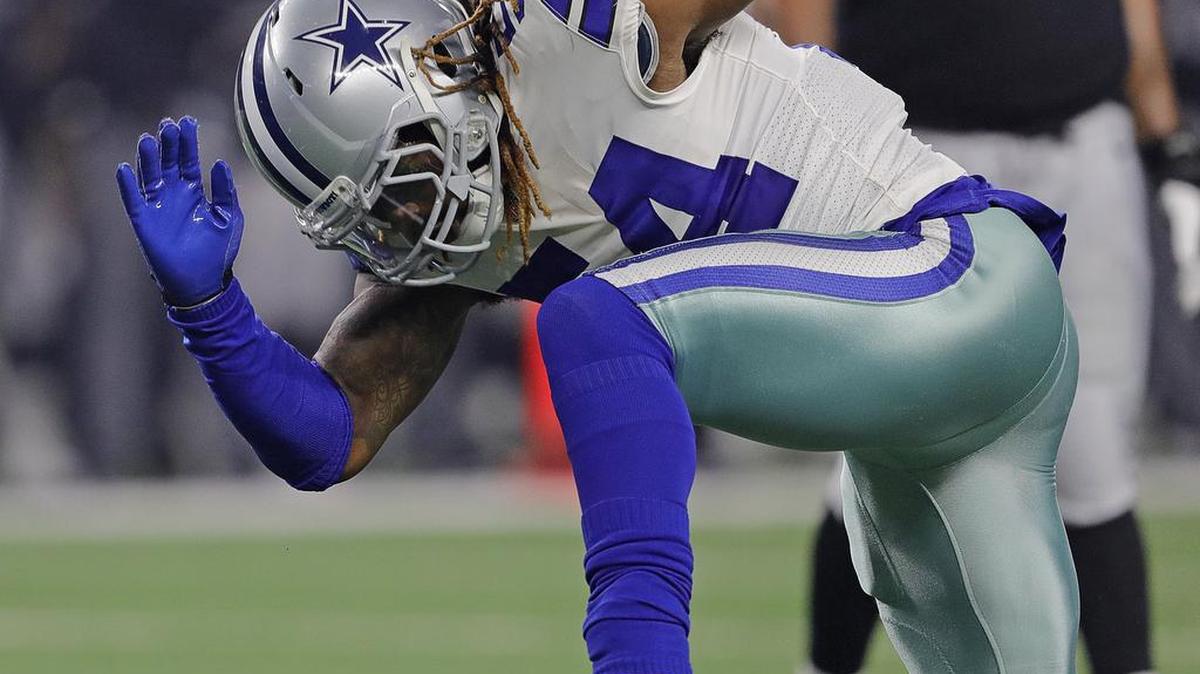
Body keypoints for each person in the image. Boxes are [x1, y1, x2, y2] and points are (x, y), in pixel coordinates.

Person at [115, 0, 1080, 670]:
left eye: (401, 178)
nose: (403, 227)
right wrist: (211, 312)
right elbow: (328, 437)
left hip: (958, 276)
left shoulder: (570, 26)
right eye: (369, 218)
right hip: (920, 408)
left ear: (449, 74)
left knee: (596, 318)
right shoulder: (458, 237)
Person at [750, 1, 1200, 673]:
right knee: (882, 442)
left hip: (1082, 142)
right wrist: (815, 134)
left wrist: (1168, 143)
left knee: (1093, 443)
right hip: (914, 150)